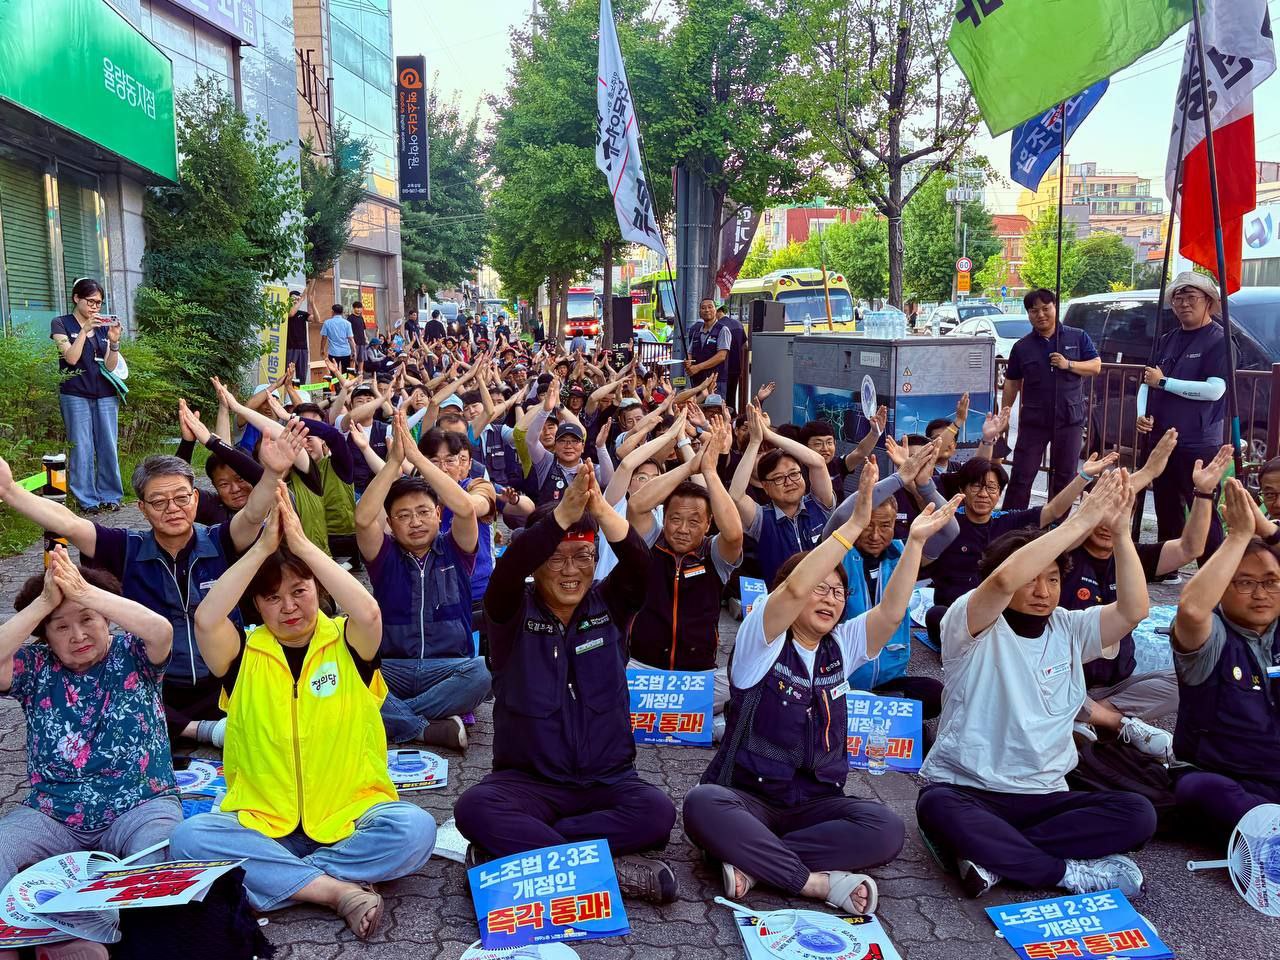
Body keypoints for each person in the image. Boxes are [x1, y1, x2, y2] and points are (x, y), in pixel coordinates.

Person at [684, 463, 959, 913]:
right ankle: (813, 882)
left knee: (885, 828)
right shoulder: (762, 639)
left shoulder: (841, 646)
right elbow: (795, 588)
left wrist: (914, 544)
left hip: (813, 805)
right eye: (820, 588)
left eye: (837, 592)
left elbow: (891, 613)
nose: (830, 598)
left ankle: (756, 863)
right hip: (748, 797)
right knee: (702, 804)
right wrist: (852, 525)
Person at [170, 486, 434, 940]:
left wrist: (302, 544)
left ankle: (278, 880)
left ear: (319, 589)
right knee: (188, 838)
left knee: (416, 829)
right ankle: (336, 891)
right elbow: (207, 619)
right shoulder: (243, 654)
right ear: (257, 605)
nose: (289, 606)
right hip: (262, 821)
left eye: (299, 590)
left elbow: (370, 611)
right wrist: (263, 548)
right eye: (272, 598)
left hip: (350, 816)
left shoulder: (348, 641)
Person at [916, 470, 1158, 900]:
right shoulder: (970, 621)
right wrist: (1079, 522)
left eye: (1053, 579)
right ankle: (1065, 873)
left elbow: (1134, 610)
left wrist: (1121, 533)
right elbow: (1003, 582)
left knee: (1138, 813)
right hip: (969, 790)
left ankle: (993, 858)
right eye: (1032, 578)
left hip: (1044, 796)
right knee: (935, 806)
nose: (1042, 591)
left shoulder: (1069, 627)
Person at [454, 468, 680, 904]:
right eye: (556, 559)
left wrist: (599, 508)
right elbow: (508, 570)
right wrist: (561, 517)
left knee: (657, 813)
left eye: (583, 557)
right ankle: (610, 872)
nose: (571, 571)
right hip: (529, 785)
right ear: (536, 564)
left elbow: (641, 565)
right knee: (474, 809)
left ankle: (524, 855)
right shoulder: (510, 611)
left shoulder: (611, 603)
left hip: (607, 782)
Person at [0, 444, 289, 746]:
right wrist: (9, 490)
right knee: (115, 687)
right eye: (159, 501)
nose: (173, 508)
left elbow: (253, 514)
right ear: (141, 507)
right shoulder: (125, 547)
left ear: (195, 498)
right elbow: (70, 523)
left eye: (181, 498)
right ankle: (197, 729)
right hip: (158, 683)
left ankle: (219, 723)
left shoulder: (222, 539)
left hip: (224, 679)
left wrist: (272, 472)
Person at [0, 548, 180, 960]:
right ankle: (19, 938)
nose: (78, 635)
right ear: (45, 636)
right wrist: (43, 603)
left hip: (141, 804)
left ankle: (82, 935)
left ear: (106, 619)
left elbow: (162, 630)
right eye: (60, 627)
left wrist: (84, 591)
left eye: (88, 620)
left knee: (162, 857)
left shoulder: (133, 653)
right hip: (54, 812)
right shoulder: (35, 666)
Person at [1065, 441, 1233, 757]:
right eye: (1102, 511)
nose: (1108, 523)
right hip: (1064, 678)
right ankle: (1111, 723)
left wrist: (1204, 494)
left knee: (1194, 677)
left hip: (1117, 685)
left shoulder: (1132, 556)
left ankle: (1091, 716)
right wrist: (1147, 472)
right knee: (1040, 682)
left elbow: (1190, 548)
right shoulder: (1063, 555)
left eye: (1120, 512)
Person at [356, 414, 490, 750]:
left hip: (449, 668)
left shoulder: (455, 549)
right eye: (403, 516)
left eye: (423, 512)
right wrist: (394, 462)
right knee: (350, 673)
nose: (414, 522)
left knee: (483, 673)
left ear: (438, 514)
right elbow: (363, 519)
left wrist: (417, 458)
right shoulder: (384, 555)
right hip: (393, 667)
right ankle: (428, 727)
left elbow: (466, 509)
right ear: (391, 523)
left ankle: (395, 718)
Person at [1169, 478, 1280, 842]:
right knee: (1201, 790)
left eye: (1271, 582)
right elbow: (1191, 608)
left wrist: (1267, 532)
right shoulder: (1212, 634)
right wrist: (1238, 536)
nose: (1261, 594)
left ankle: (1267, 830)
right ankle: (1267, 831)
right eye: (1245, 583)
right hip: (1224, 776)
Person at [821, 443, 960, 717]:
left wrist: (925, 485)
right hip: (839, 679)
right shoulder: (837, 553)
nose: (875, 535)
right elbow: (841, 516)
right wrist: (899, 478)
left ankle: (877, 709)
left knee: (935, 695)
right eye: (867, 525)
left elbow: (949, 531)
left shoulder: (903, 554)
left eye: (885, 525)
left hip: (888, 681)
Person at [922, 452, 1117, 647]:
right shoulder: (948, 523)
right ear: (962, 489)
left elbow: (1053, 511)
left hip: (999, 612)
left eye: (991, 488)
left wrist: (1084, 476)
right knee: (936, 616)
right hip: (957, 614)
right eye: (976, 486)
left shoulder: (1008, 521)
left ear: (999, 493)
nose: (983, 494)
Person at [626, 422, 743, 717]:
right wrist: (690, 466)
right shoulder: (650, 543)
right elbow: (637, 506)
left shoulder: (713, 554)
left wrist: (710, 473)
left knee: (740, 691)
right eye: (676, 519)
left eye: (694, 522)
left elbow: (734, 535)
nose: (682, 529)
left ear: (708, 524)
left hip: (698, 673)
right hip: (643, 668)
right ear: (664, 518)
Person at [1138, 272, 1229, 555]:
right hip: (1163, 438)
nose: (1184, 304)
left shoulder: (1220, 340)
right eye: (1178, 298)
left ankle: (1212, 568)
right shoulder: (1167, 339)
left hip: (1198, 441)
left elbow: (1214, 390)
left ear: (1209, 301)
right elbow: (1147, 381)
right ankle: (1168, 568)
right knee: (1166, 506)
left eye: (1191, 297)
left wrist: (1165, 383)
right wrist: (1141, 414)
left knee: (1202, 508)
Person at [1001, 288, 1101, 509]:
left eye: (1046, 308)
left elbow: (1095, 366)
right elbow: (1012, 382)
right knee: (1021, 475)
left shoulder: (1077, 337)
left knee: (1064, 477)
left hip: (1069, 419)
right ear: (1028, 314)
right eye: (1034, 310)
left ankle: (1055, 525)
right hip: (1034, 421)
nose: (1041, 314)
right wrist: (1004, 414)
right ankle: (1011, 522)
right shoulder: (1022, 347)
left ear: (1055, 307)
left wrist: (1068, 364)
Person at [730, 405, 836, 584]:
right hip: (781, 597)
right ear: (765, 486)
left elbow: (818, 462)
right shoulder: (761, 519)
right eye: (779, 478)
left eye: (794, 474)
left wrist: (770, 435)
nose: (789, 482)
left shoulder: (819, 505)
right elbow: (736, 495)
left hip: (823, 594)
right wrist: (755, 441)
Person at [51, 277, 125, 514]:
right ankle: (87, 499)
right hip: (75, 393)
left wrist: (114, 342)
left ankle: (110, 495)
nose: (95, 307)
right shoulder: (61, 323)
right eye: (90, 301)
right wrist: (84, 331)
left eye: (99, 303)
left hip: (105, 393)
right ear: (76, 298)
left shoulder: (103, 326)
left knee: (108, 445)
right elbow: (71, 358)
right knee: (82, 446)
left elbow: (111, 366)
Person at [685, 297, 732, 389]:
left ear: (716, 310)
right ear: (699, 312)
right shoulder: (696, 331)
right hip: (697, 381)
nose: (707, 310)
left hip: (715, 381)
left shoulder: (723, 330)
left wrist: (698, 367)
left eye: (710, 307)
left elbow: (721, 356)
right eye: (703, 308)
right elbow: (690, 353)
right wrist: (688, 362)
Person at [285, 288, 313, 381]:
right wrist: (302, 299)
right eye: (293, 298)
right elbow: (291, 313)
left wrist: (312, 303)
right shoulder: (285, 311)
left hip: (303, 348)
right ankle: (286, 390)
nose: (296, 300)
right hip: (291, 347)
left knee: (302, 376)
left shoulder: (303, 314)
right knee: (288, 374)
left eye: (298, 298)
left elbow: (316, 319)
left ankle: (300, 390)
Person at [321, 304, 356, 373]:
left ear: (332, 312)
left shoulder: (327, 323)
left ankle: (335, 380)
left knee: (334, 372)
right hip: (346, 352)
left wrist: (322, 349)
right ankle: (344, 380)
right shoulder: (347, 323)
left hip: (333, 352)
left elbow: (324, 338)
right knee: (346, 373)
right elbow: (350, 339)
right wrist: (354, 351)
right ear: (342, 312)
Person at [348, 300, 369, 376]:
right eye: (357, 308)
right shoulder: (350, 318)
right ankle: (351, 376)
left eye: (360, 308)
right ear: (353, 308)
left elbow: (363, 330)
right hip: (354, 342)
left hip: (362, 341)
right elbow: (348, 331)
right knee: (353, 359)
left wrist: (366, 338)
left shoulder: (361, 318)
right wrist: (351, 341)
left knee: (361, 359)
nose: (359, 309)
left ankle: (360, 374)